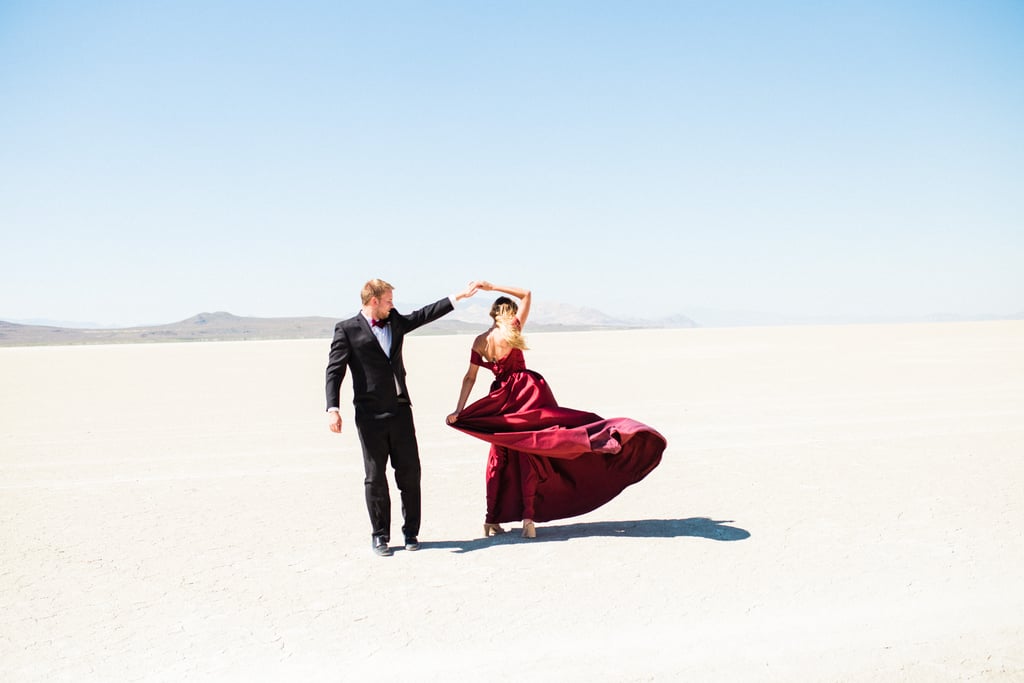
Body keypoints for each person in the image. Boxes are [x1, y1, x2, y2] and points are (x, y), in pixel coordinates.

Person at [446, 282, 666, 538]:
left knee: (499, 457)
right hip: (527, 395)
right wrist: (491, 286)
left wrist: (459, 410)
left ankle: (490, 520)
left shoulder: (480, 341)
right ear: (509, 313)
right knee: (533, 452)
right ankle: (528, 519)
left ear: (492, 314)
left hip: (500, 402)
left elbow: (469, 378)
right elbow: (527, 293)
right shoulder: (513, 330)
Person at [326, 278, 480, 557]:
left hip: (400, 411)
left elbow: (424, 314)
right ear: (374, 301)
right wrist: (332, 408)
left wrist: (459, 296)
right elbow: (334, 371)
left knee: (410, 473)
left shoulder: (394, 321)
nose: (392, 305)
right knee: (375, 477)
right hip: (370, 415)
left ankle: (411, 532)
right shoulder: (346, 330)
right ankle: (380, 535)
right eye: (388, 300)